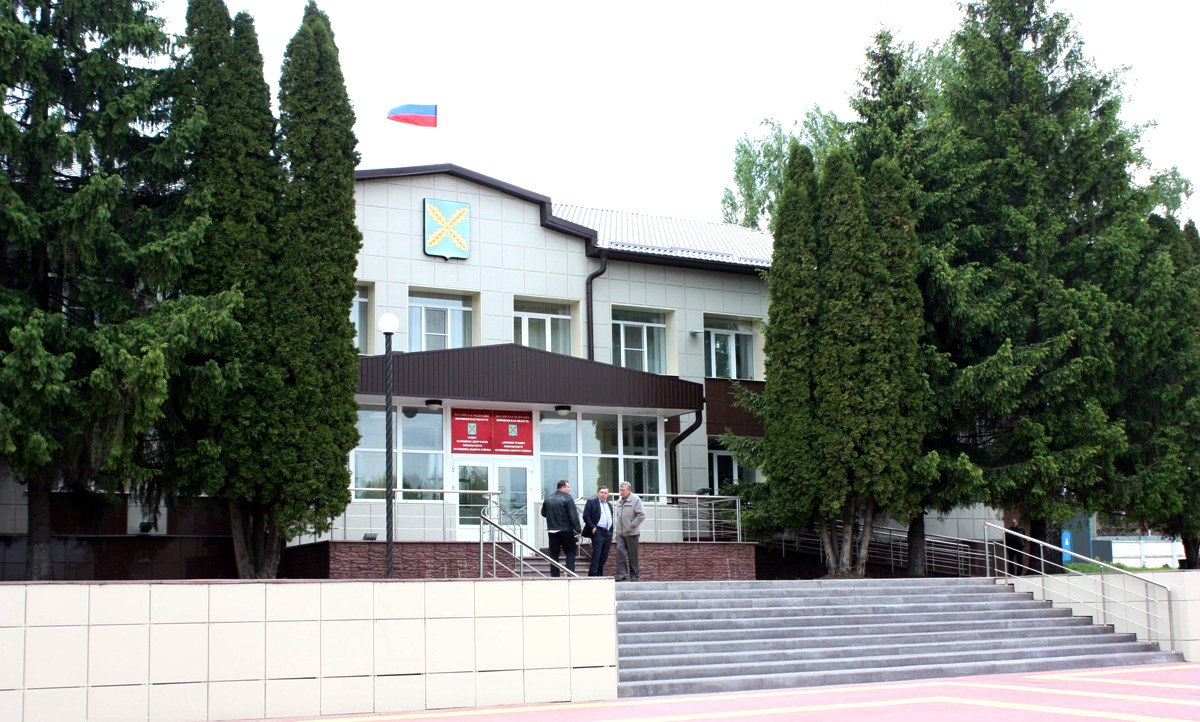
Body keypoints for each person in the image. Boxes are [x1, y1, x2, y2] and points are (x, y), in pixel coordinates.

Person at [540, 479, 581, 576]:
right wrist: (578, 530)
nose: (570, 489)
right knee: (570, 552)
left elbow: (543, 513)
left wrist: (552, 518)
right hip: (566, 530)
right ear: (562, 487)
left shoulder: (548, 498)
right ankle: (570, 574)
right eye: (568, 487)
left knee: (554, 554)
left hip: (552, 530)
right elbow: (573, 516)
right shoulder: (568, 498)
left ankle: (555, 577)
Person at [614, 481, 645, 582]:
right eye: (620, 490)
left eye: (623, 490)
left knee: (633, 555)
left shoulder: (635, 499)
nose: (621, 492)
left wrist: (631, 525)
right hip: (620, 534)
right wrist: (617, 530)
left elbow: (641, 515)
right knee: (620, 553)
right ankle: (622, 574)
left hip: (632, 533)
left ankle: (634, 576)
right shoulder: (619, 501)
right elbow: (618, 517)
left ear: (629, 490)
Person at [582, 486, 615, 577]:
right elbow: (586, 515)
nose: (603, 494)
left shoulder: (609, 504)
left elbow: (610, 518)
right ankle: (593, 574)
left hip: (608, 532)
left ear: (608, 495)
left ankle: (599, 574)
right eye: (601, 492)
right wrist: (592, 527)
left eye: (605, 493)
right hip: (598, 531)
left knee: (604, 555)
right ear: (598, 493)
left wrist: (611, 531)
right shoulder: (592, 502)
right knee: (597, 553)